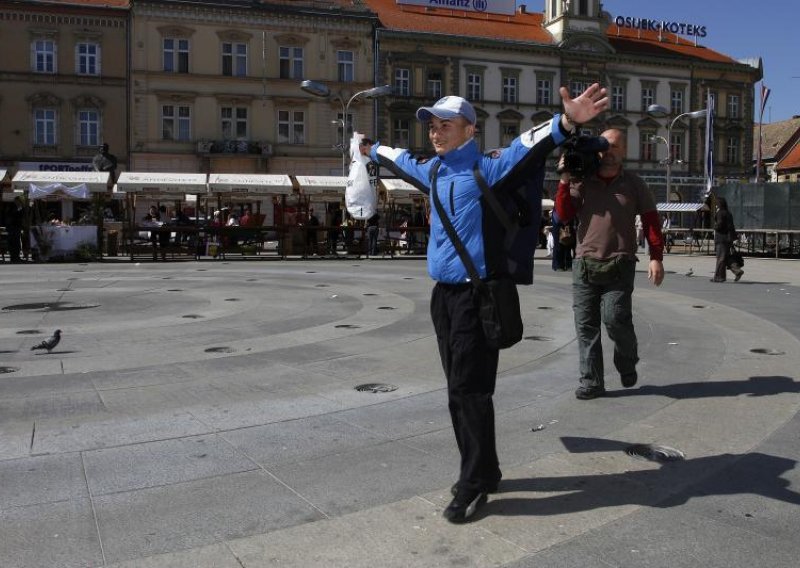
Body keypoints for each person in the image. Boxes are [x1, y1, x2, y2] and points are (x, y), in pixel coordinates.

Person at [360, 84, 609, 523]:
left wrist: (567, 122)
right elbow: (401, 160)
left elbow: (526, 146)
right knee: (460, 390)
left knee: (468, 391)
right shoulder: (433, 171)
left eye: (445, 125)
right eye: (432, 126)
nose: (435, 133)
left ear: (470, 130)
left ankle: (473, 480)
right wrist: (371, 147)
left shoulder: (488, 169)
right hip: (444, 298)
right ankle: (487, 468)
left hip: (480, 297)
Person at [555, 128, 664, 401]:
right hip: (584, 264)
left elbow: (651, 221)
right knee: (586, 327)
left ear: (624, 150)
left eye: (614, 146)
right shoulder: (583, 180)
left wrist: (656, 257)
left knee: (615, 319)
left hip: (620, 262)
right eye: (603, 147)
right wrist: (565, 179)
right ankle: (592, 381)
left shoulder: (634, 184)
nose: (608, 153)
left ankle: (627, 360)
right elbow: (563, 214)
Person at [712, 197, 743, 282]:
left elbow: (720, 225)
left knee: (721, 258)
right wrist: (733, 238)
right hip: (728, 238)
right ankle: (737, 271)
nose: (716, 206)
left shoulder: (720, 213)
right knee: (726, 257)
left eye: (716, 204)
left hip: (721, 238)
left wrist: (715, 227)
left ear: (719, 204)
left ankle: (719, 277)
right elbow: (731, 226)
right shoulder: (728, 213)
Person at [6, 195, 26, 263]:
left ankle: (16, 257)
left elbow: (22, 216)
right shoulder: (12, 207)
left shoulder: (21, 208)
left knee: (17, 242)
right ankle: (13, 257)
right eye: (16, 201)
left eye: (18, 201)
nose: (17, 202)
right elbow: (10, 215)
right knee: (12, 242)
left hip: (17, 227)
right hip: (12, 227)